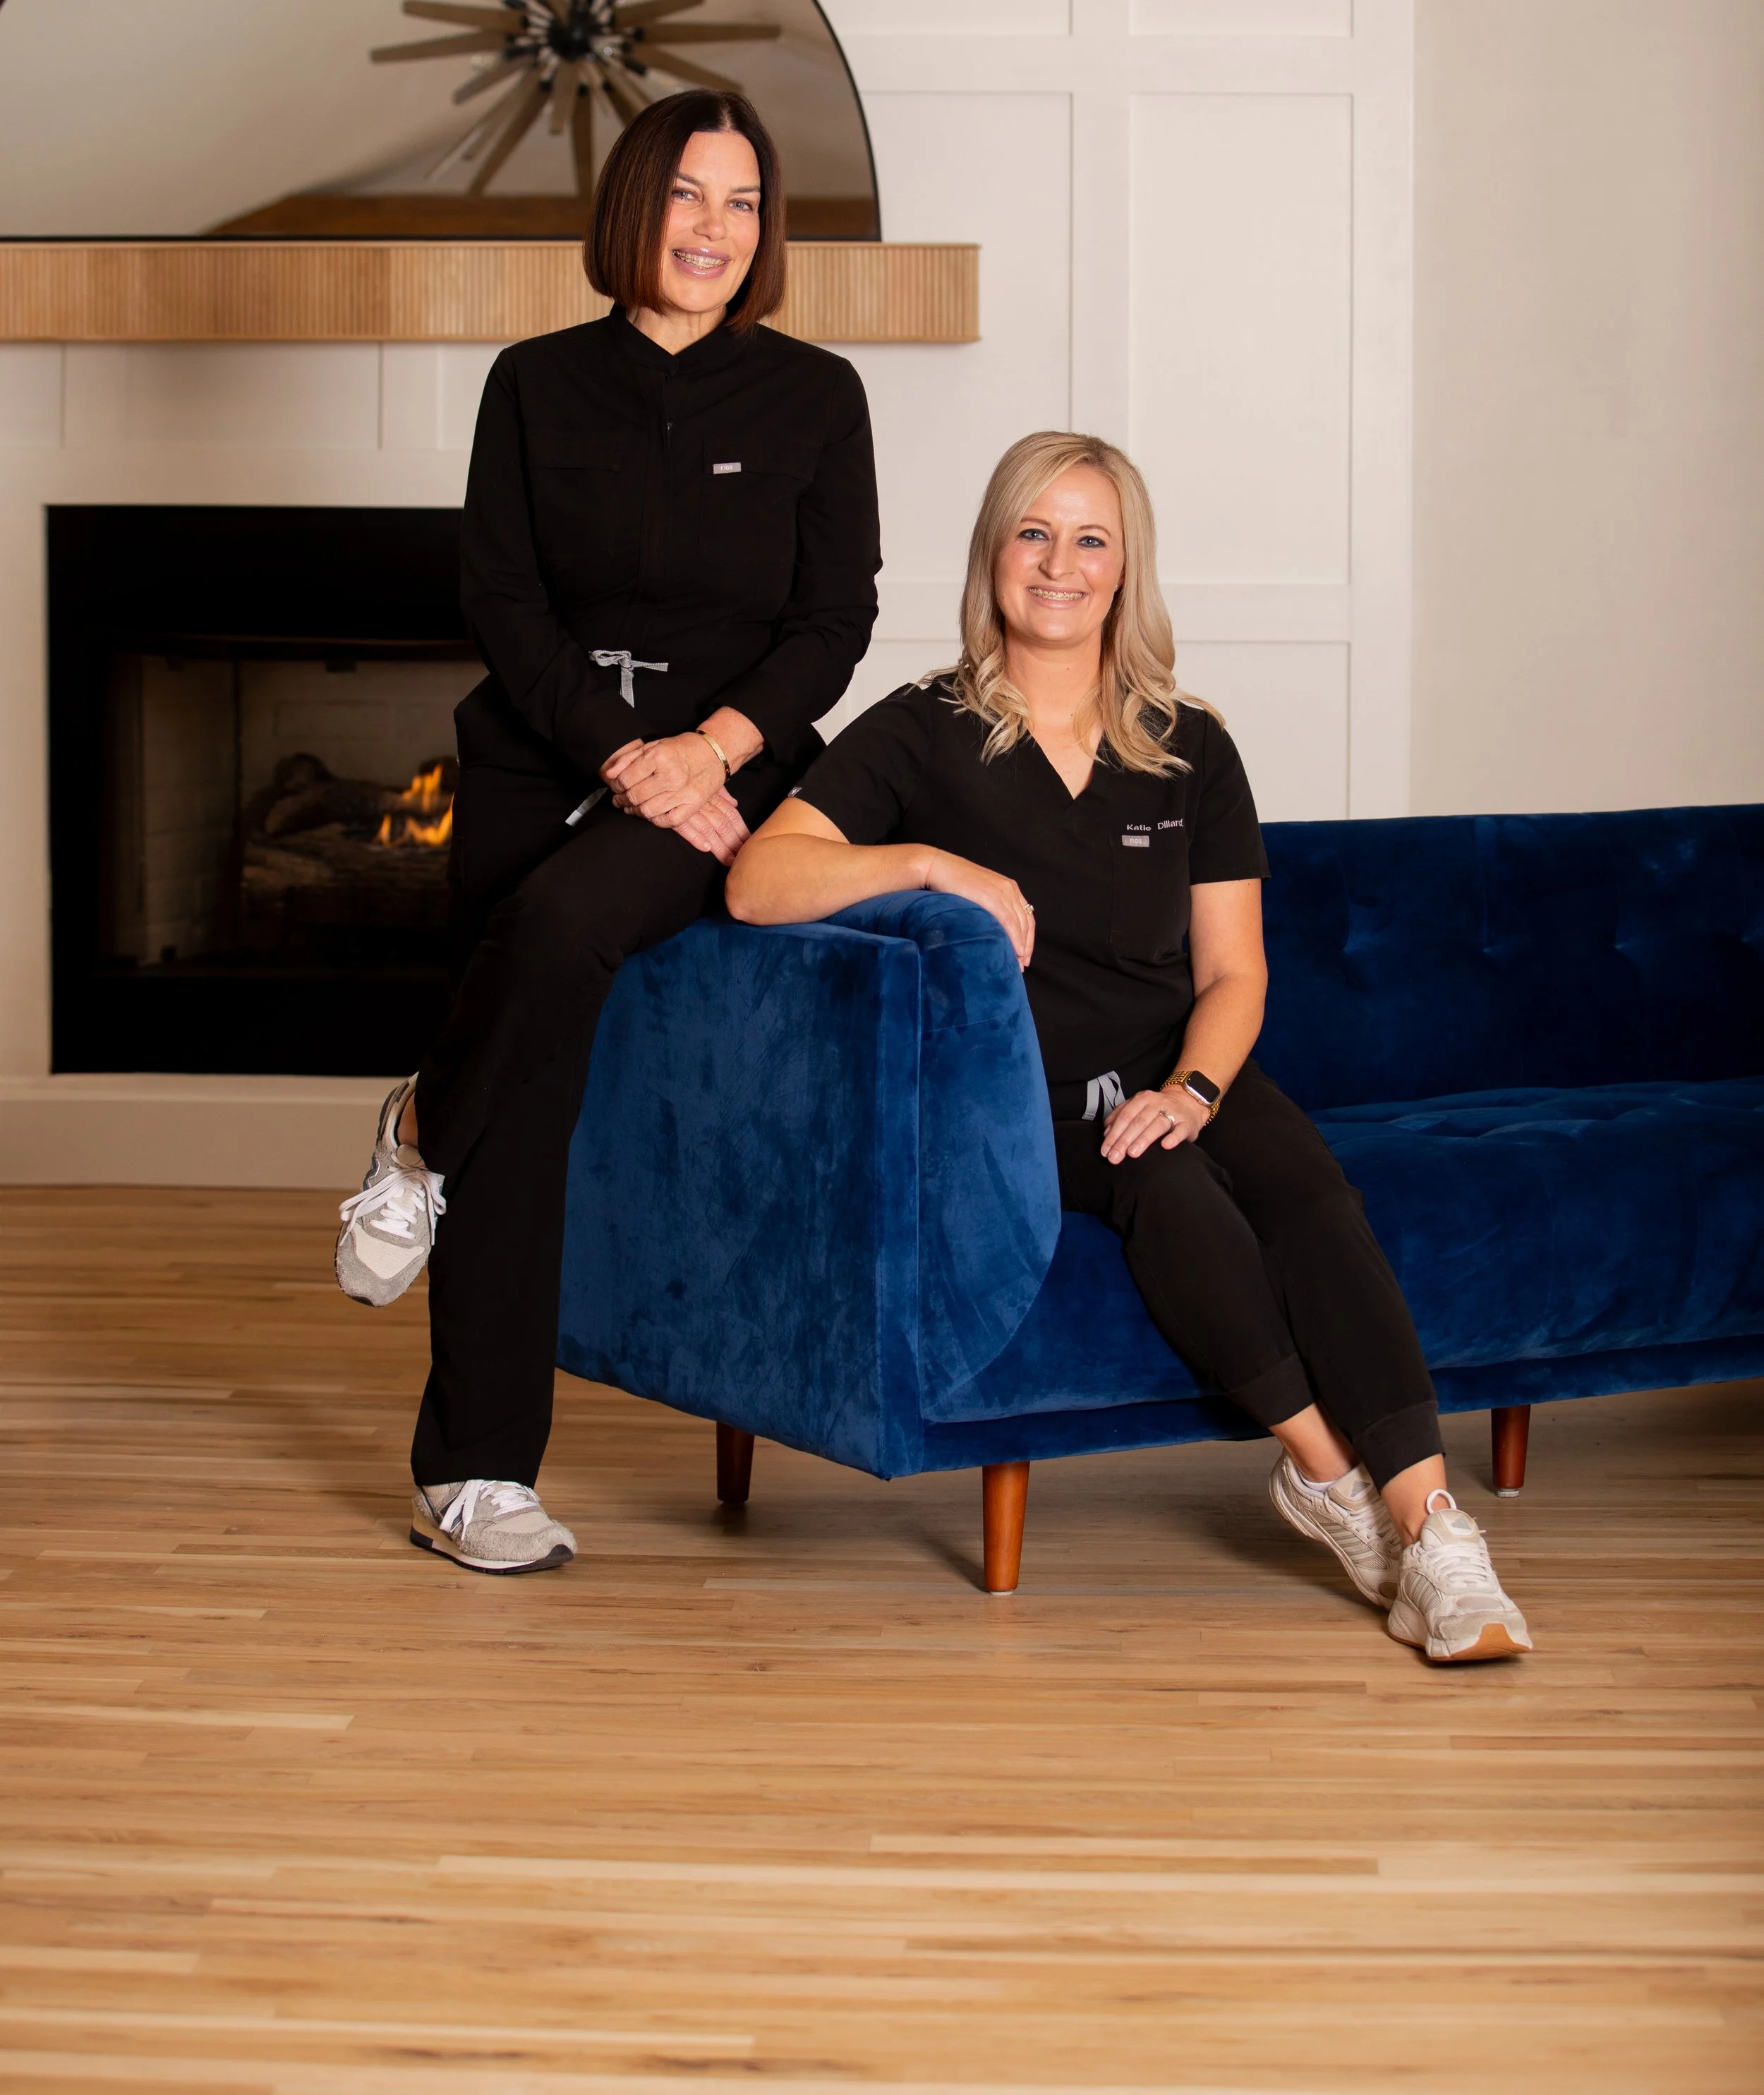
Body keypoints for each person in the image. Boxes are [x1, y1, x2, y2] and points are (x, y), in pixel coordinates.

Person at [726, 431, 1530, 1663]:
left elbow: (1234, 972)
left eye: (1091, 537)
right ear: (994, 552)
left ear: (1127, 566)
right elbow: (759, 878)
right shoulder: (922, 729)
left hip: (1181, 1054)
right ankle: (1328, 1479)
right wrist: (934, 862)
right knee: (1167, 1193)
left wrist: (1194, 1087)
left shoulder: (1189, 742)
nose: (1060, 563)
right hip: (1018, 1094)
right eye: (1032, 532)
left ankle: (1432, 1527)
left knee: (1311, 1196)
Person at [334, 89, 881, 1575]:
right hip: (543, 749)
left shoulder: (816, 397)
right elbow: (499, 601)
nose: (714, 228)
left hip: (736, 763)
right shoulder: (532, 382)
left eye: (743, 202)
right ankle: (476, 1477)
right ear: (633, 209)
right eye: (688, 195)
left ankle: (413, 1130)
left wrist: (703, 751)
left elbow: (836, 618)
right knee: (534, 1085)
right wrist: (618, 750)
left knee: (564, 927)